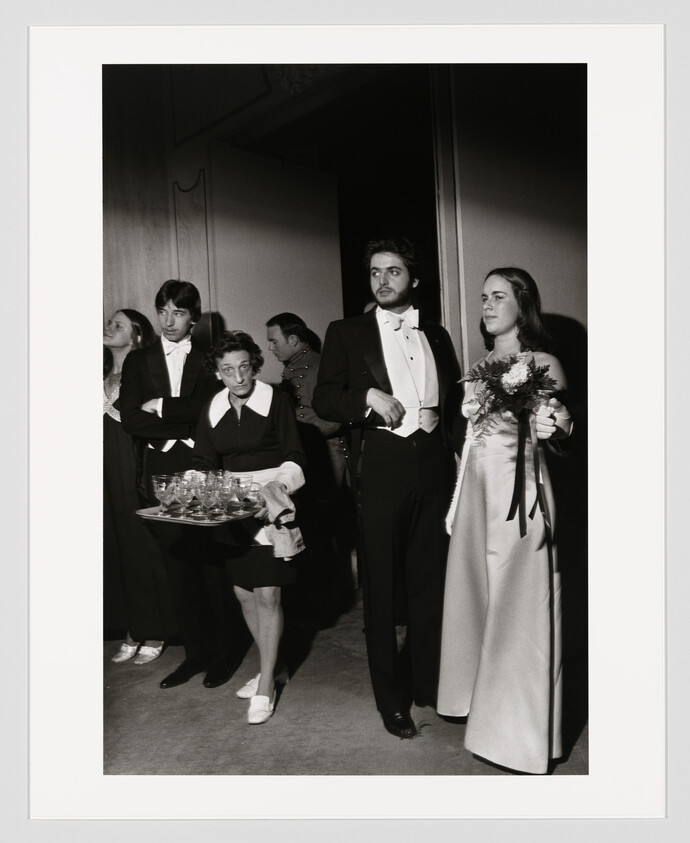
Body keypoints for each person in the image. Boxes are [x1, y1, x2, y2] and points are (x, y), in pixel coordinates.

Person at [313, 236, 461, 739]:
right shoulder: (346, 331)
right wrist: (368, 396)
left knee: (429, 582)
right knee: (380, 588)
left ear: (413, 280)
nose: (382, 280)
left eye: (393, 271)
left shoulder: (436, 334)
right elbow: (325, 398)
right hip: (381, 466)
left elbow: (456, 402)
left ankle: (429, 685)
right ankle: (390, 701)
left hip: (434, 466)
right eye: (375, 271)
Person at [437, 267, 573, 775]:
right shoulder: (477, 366)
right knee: (476, 599)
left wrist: (556, 423)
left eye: (499, 296)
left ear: (523, 303)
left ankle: (516, 734)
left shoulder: (543, 361)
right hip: (476, 496)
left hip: (522, 500)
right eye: (483, 298)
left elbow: (558, 424)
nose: (487, 305)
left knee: (521, 610)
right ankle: (477, 705)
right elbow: (466, 440)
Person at [120, 280, 244, 691]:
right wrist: (177, 418)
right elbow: (131, 417)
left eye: (178, 313)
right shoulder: (140, 361)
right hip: (159, 466)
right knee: (178, 567)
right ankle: (196, 655)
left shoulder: (211, 358)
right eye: (163, 311)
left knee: (212, 565)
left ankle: (225, 654)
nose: (169, 321)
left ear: (194, 317)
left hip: (201, 463)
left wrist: (162, 407)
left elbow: (213, 407)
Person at [192, 331, 307, 724]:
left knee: (268, 596)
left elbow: (295, 455)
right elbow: (204, 461)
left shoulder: (276, 400)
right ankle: (273, 667)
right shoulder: (213, 408)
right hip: (231, 508)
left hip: (271, 505)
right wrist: (203, 492)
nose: (238, 377)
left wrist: (276, 490)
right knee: (244, 596)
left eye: (244, 367)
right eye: (228, 371)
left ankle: (266, 688)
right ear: (218, 374)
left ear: (254, 365)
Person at [266, 313, 355, 619]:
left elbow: (334, 416)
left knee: (323, 532)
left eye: (274, 341)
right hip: (307, 456)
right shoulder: (293, 367)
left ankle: (328, 602)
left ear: (293, 340)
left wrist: (294, 428)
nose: (271, 348)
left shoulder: (316, 365)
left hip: (325, 457)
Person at [103, 309, 175, 664]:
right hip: (102, 473)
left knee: (141, 549)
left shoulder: (143, 370)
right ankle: (131, 626)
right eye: (108, 322)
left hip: (132, 468)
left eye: (118, 324)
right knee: (113, 550)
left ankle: (156, 628)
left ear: (136, 336)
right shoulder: (98, 373)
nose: (108, 326)